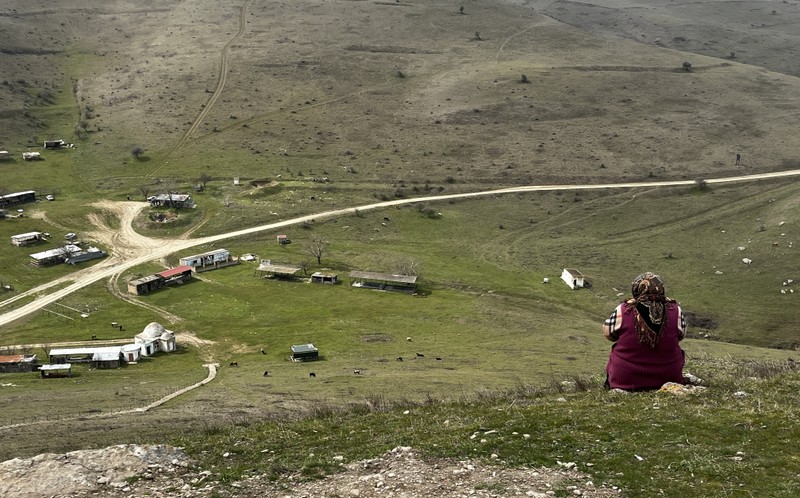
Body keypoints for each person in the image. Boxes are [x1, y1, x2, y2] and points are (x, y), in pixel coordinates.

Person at [602, 272, 686, 391]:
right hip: (668, 377)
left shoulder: (624, 310)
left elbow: (608, 334)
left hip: (625, 380)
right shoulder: (675, 310)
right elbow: (681, 335)